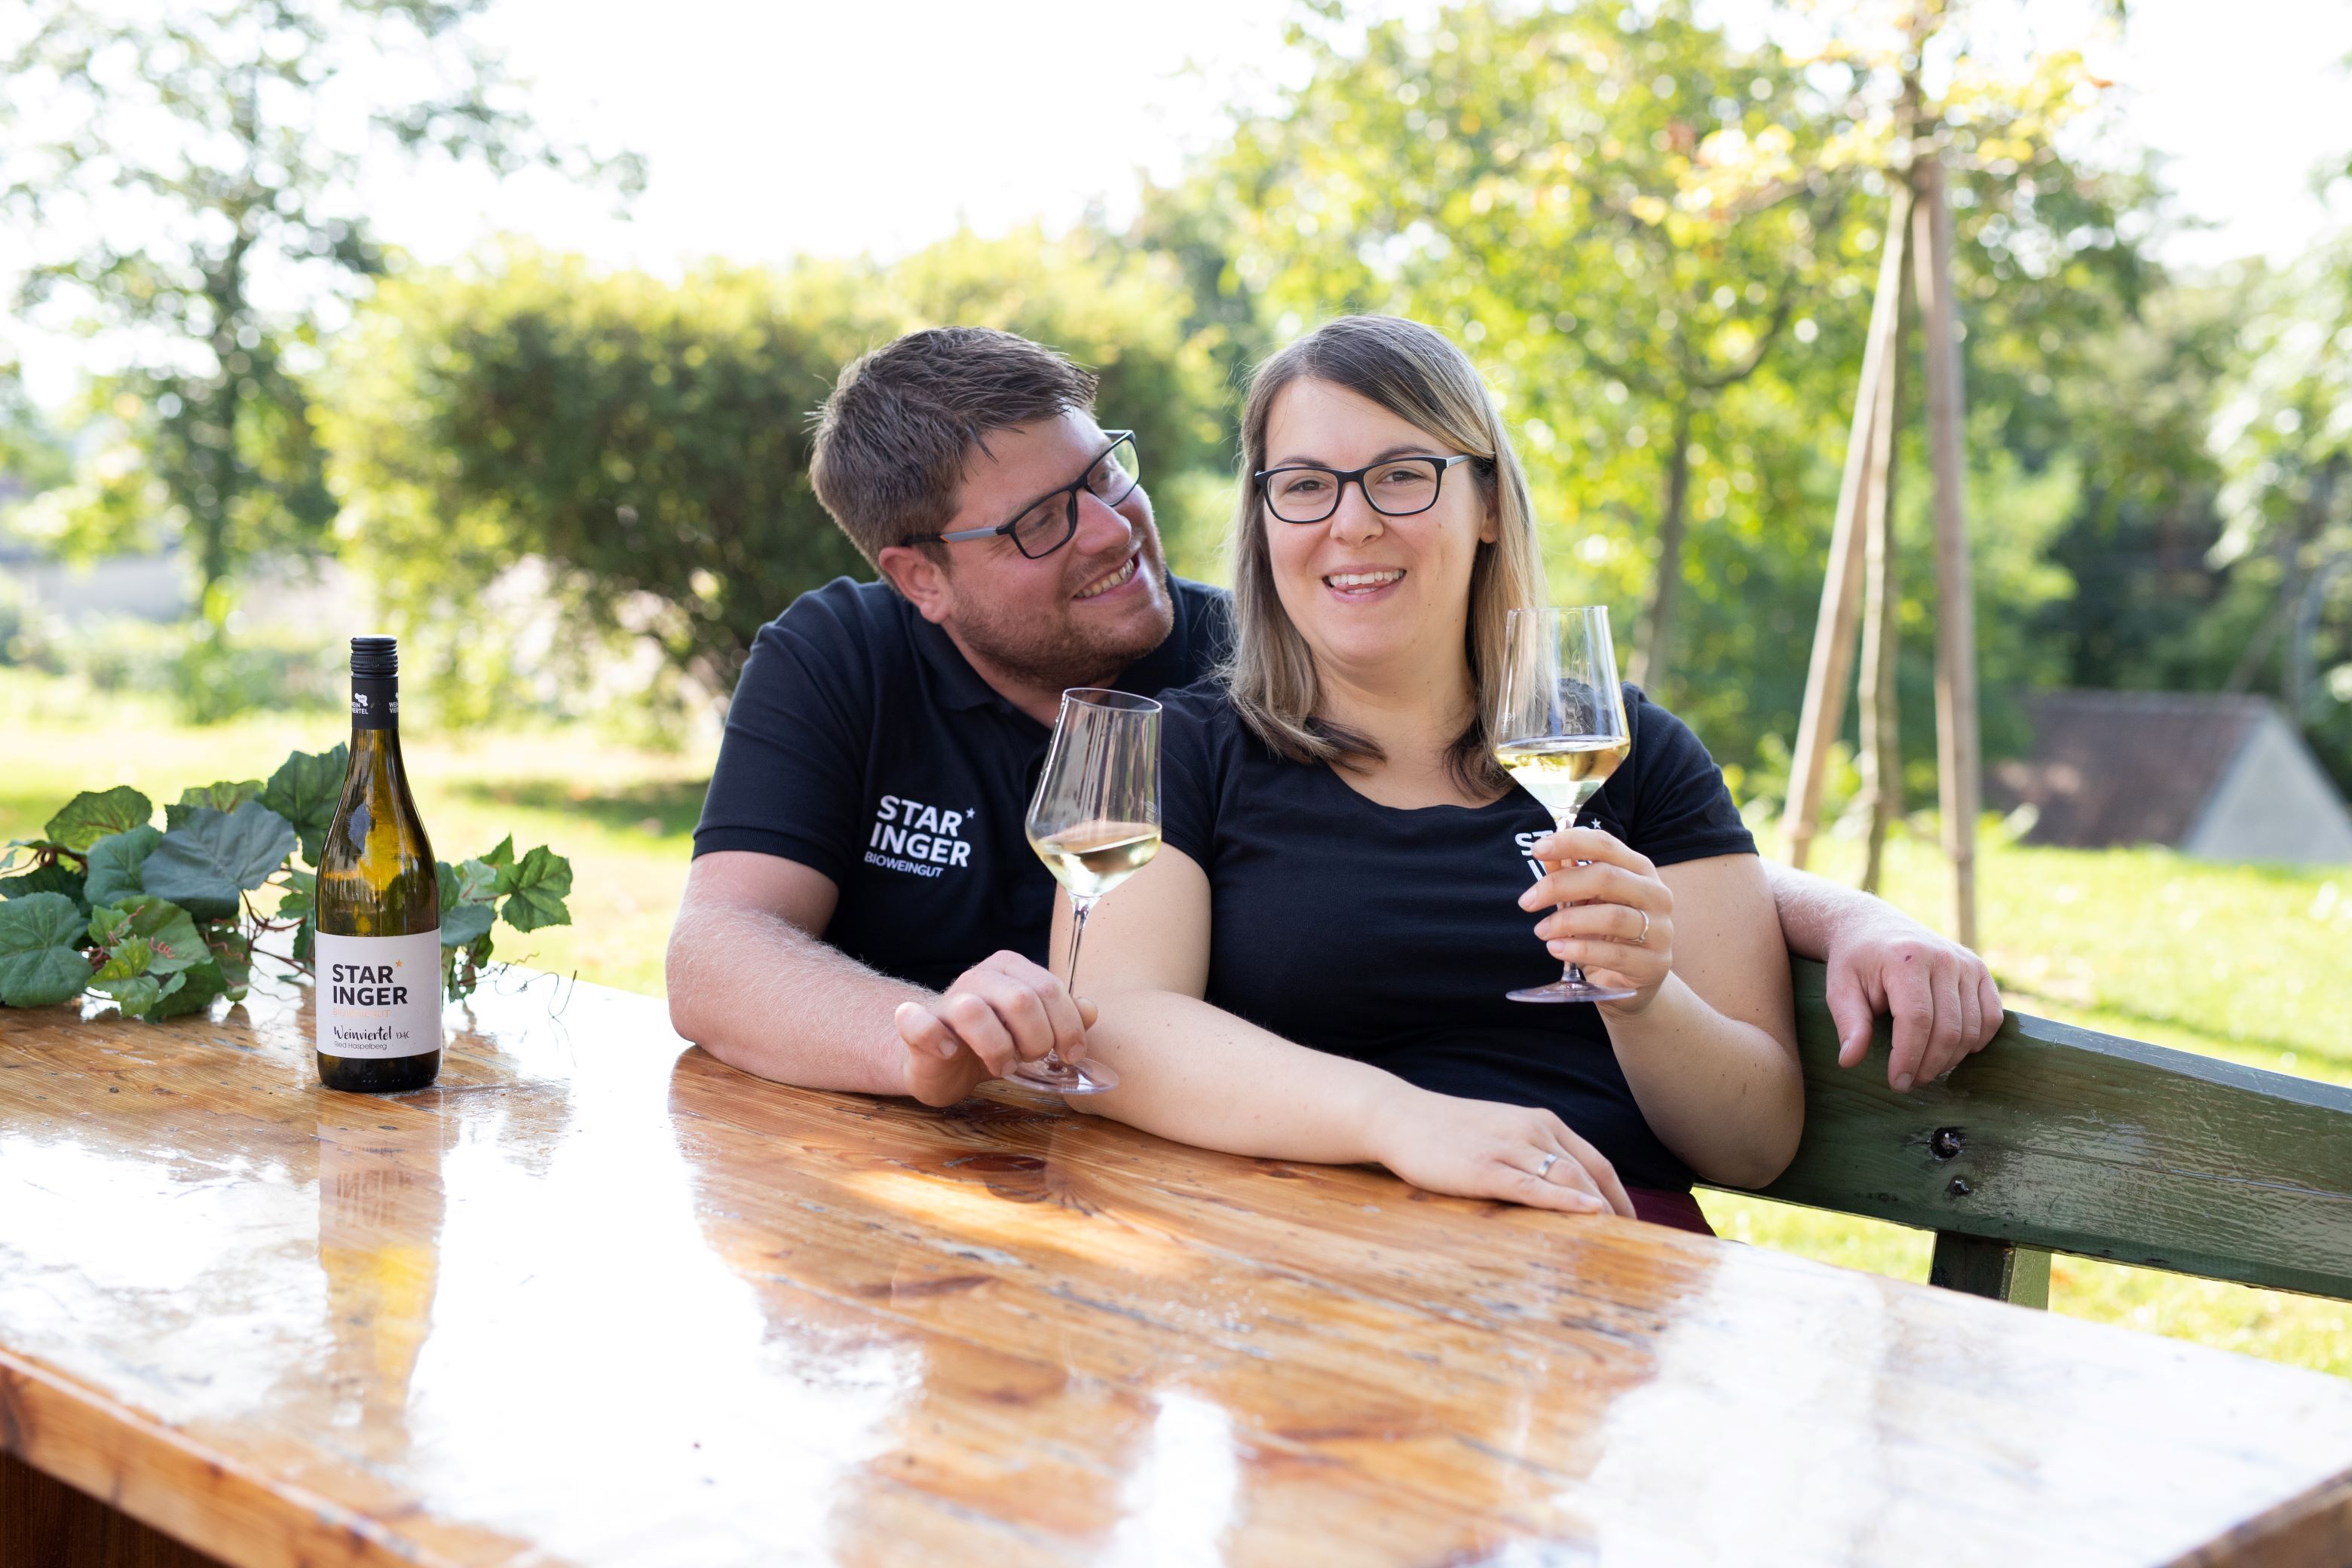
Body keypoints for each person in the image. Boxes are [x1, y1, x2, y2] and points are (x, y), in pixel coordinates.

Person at [666, 326, 2004, 1115]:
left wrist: (1855, 917)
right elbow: (717, 953)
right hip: (970, 1170)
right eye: (1036, 522)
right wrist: (927, 1048)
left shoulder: (1250, 661)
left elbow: (1499, 804)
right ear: (921, 579)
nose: (1110, 532)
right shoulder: (845, 657)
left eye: (1103, 475)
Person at [910, 315, 1797, 1226]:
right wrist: (1399, 1120)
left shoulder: (1632, 752)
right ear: (1262, 520)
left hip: (1594, 1249)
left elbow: (1756, 1142)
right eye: (1304, 486)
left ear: (1488, 503)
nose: (1353, 522)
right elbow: (1120, 1022)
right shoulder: (1187, 748)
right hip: (1293, 1245)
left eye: (1402, 476)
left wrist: (1646, 997)